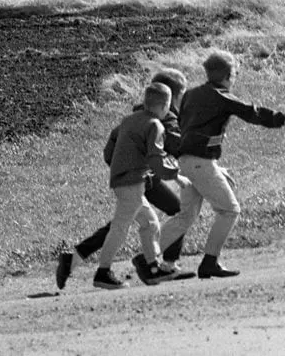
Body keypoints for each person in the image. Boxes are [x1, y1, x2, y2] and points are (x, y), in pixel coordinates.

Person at [155, 50, 285, 279]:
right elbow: (254, 113)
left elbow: (188, 132)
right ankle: (209, 262)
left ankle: (147, 255)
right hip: (200, 163)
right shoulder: (221, 95)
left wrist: (209, 162)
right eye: (234, 73)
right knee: (229, 210)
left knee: (185, 216)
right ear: (228, 74)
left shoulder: (190, 95)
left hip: (187, 162)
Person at [57, 68, 191, 290]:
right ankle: (155, 266)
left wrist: (122, 169)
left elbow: (110, 151)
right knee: (172, 212)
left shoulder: (131, 118)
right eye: (180, 96)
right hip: (141, 177)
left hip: (133, 176)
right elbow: (176, 148)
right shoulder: (161, 120)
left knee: (138, 221)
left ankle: (78, 257)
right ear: (169, 99)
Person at [91, 83, 178, 290]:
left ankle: (154, 268)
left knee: (150, 223)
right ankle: (103, 272)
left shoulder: (129, 120)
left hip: (125, 181)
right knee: (120, 227)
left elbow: (110, 152)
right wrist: (175, 172)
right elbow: (156, 159)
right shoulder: (155, 125)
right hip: (131, 183)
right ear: (165, 106)